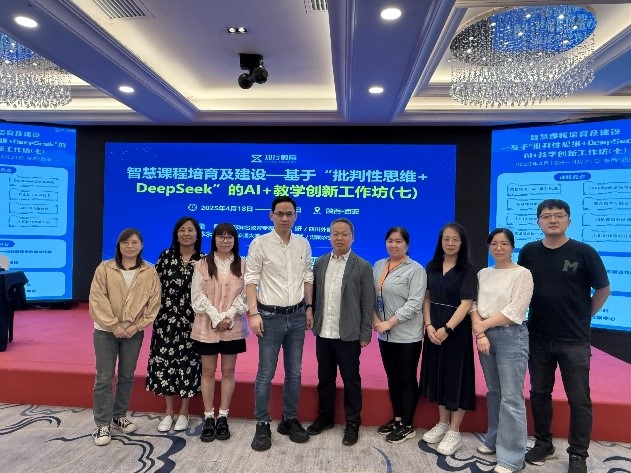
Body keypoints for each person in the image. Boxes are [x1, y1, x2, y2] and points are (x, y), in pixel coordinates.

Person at [518, 199, 610, 473]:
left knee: (579, 399)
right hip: (538, 336)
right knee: (539, 393)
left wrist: (584, 317)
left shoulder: (584, 252)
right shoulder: (529, 252)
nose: (553, 220)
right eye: (547, 216)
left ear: (569, 220)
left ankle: (578, 454)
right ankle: (543, 443)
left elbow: (603, 289)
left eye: (559, 215)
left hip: (574, 340)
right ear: (538, 222)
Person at [244, 196, 314, 451]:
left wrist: (309, 307)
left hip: (297, 316)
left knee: (294, 372)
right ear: (271, 215)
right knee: (266, 373)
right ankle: (262, 423)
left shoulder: (303, 243)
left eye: (289, 214)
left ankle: (289, 419)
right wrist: (253, 313)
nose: (285, 218)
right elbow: (251, 279)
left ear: (296, 216)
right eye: (280, 213)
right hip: (269, 317)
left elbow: (307, 277)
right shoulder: (260, 243)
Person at [306, 218, 375, 446]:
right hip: (324, 332)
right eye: (335, 234)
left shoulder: (362, 266)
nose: (339, 238)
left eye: (344, 234)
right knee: (325, 379)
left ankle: (353, 423)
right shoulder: (320, 263)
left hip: (349, 334)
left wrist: (365, 333)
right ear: (329, 236)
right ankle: (325, 418)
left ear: (352, 237)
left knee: (351, 380)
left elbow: (367, 303)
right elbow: (315, 296)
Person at [89, 228, 161, 446]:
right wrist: (113, 325)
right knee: (104, 377)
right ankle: (102, 424)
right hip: (105, 332)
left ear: (141, 246)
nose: (130, 246)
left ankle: (119, 416)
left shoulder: (149, 271)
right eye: (125, 242)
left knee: (127, 376)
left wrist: (136, 326)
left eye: (135, 242)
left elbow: (153, 303)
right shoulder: (105, 268)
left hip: (133, 333)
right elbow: (97, 299)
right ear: (119, 245)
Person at [470, 228, 533, 473]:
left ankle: (512, 458)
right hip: (485, 336)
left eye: (504, 243)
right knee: (494, 392)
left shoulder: (522, 274)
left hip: (511, 337)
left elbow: (515, 310)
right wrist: (481, 333)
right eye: (494, 243)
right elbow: (473, 304)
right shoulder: (483, 273)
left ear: (512, 247)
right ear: (489, 247)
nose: (498, 248)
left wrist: (482, 327)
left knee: (511, 397)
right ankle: (494, 439)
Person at [419, 222, 477, 456]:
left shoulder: (468, 270)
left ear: (462, 243)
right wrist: (428, 325)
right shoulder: (432, 266)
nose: (450, 243)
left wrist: (447, 329)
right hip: (433, 329)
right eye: (446, 239)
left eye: (455, 239)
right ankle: (442, 423)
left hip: (456, 332)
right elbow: (426, 297)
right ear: (440, 242)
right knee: (439, 375)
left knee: (456, 377)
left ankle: (454, 430)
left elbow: (466, 303)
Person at [190, 222, 248, 442]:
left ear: (235, 241)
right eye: (221, 236)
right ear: (214, 239)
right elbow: (197, 296)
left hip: (232, 327)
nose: (225, 240)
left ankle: (223, 416)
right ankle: (208, 416)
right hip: (207, 325)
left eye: (229, 237)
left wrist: (228, 316)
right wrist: (216, 317)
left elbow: (245, 296)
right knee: (207, 371)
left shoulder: (244, 265)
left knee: (228, 372)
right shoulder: (202, 264)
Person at [146, 217, 203, 432]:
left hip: (192, 321)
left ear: (197, 234)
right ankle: (168, 412)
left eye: (190, 230)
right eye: (182, 230)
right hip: (166, 321)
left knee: (188, 364)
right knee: (165, 363)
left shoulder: (203, 260)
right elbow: (154, 287)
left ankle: (184, 412)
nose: (186, 233)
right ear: (176, 234)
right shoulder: (165, 256)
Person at [372, 226, 426, 444]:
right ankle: (397, 419)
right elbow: (372, 296)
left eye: (398, 241)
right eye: (390, 241)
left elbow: (414, 304)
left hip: (407, 335)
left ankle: (407, 425)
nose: (394, 245)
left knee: (406, 378)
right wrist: (376, 321)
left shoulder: (415, 270)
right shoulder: (378, 265)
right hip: (384, 334)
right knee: (392, 377)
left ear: (407, 244)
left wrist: (389, 322)